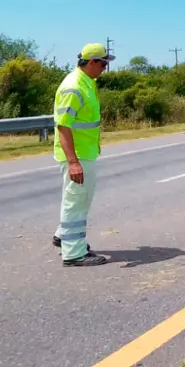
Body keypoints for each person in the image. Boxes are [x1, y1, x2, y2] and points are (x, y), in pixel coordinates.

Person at [51, 43, 114, 267]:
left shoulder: (87, 82)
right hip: (77, 155)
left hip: (85, 153)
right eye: (103, 63)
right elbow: (63, 126)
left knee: (79, 199)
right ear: (91, 62)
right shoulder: (74, 87)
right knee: (76, 202)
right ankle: (74, 253)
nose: (105, 68)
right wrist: (73, 162)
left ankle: (63, 236)